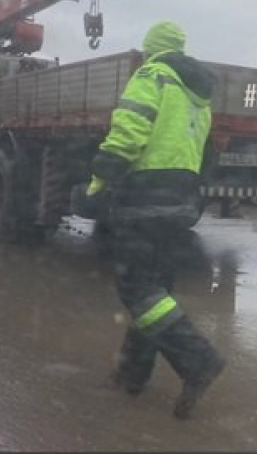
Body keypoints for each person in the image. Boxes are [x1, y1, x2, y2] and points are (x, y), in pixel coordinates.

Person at [78, 21, 224, 420]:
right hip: (180, 202)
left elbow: (128, 134)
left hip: (144, 198)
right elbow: (207, 153)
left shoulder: (152, 75)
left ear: (149, 49)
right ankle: (132, 373)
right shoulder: (200, 94)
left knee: (138, 288)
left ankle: (199, 360)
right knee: (155, 291)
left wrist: (96, 184)